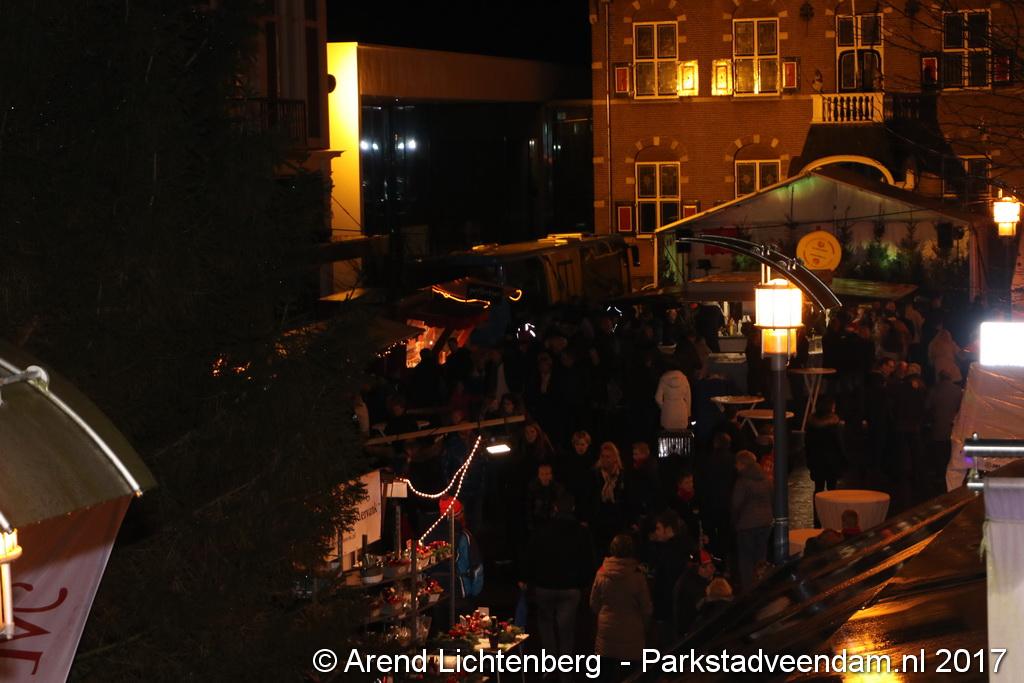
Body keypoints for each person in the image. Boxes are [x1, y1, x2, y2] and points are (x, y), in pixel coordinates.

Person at [520, 495, 593, 683]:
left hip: (545, 586)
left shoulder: (542, 531)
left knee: (546, 626)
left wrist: (527, 578)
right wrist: (583, 583)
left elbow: (530, 555)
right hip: (570, 588)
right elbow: (588, 560)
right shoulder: (581, 533)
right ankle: (565, 672)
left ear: (555, 509)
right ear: (573, 508)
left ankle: (550, 666)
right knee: (566, 631)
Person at [590, 534, 652, 667]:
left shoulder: (601, 573)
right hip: (632, 632)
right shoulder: (637, 576)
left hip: (607, 632)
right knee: (630, 672)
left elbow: (594, 603)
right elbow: (646, 607)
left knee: (606, 671)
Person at [647, 510, 691, 647]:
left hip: (669, 609)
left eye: (659, 528)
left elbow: (667, 582)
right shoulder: (677, 548)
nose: (656, 532)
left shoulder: (670, 552)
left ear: (669, 529)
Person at [731, 450, 773, 593]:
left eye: (737, 463)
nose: (736, 466)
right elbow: (772, 498)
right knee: (761, 557)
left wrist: (735, 521)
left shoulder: (743, 482)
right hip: (765, 522)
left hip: (747, 524)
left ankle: (748, 590)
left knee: (746, 560)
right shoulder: (765, 478)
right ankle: (761, 585)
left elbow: (736, 504)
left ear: (742, 464)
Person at [441, 496, 483, 616]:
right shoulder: (465, 537)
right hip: (462, 593)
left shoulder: (434, 535)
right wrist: (476, 593)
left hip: (439, 595)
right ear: (459, 515)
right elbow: (476, 567)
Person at [805, 397, 844, 525]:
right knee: (832, 488)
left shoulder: (811, 424)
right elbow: (839, 444)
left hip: (817, 461)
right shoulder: (834, 424)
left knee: (818, 488)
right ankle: (832, 513)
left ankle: (817, 514)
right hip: (832, 461)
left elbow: (807, 444)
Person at [589, 442, 628, 558]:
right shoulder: (595, 475)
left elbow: (628, 497)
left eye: (608, 456)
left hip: (617, 518)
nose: (605, 459)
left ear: (615, 458)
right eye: (603, 456)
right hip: (599, 518)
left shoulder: (622, 475)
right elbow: (589, 497)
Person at [673, 548, 716, 635]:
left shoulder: (691, 577)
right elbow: (699, 606)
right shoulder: (691, 583)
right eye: (711, 567)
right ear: (701, 568)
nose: (713, 570)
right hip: (689, 631)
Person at [526, 463, 566, 532]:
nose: (544, 476)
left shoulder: (557, 488)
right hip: (538, 521)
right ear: (538, 475)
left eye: (547, 474)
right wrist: (530, 523)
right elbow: (528, 507)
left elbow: (561, 506)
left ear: (551, 475)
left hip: (553, 520)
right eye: (542, 474)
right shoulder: (533, 488)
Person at [655, 365, 692, 431]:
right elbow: (688, 398)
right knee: (681, 434)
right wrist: (688, 413)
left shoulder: (663, 379)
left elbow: (657, 398)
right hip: (681, 409)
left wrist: (663, 407)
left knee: (668, 434)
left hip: (668, 410)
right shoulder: (684, 379)